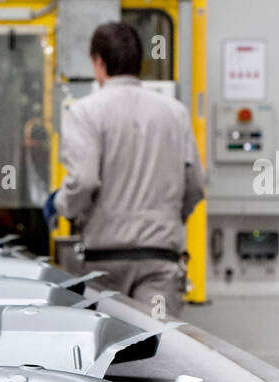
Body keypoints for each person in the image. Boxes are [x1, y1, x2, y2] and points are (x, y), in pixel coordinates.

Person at [44, 21, 206, 314]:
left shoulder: (84, 112)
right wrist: (168, 217)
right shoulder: (175, 113)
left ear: (99, 62)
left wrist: (60, 205)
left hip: (104, 262)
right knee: (159, 349)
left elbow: (83, 180)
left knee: (106, 349)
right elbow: (195, 183)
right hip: (160, 259)